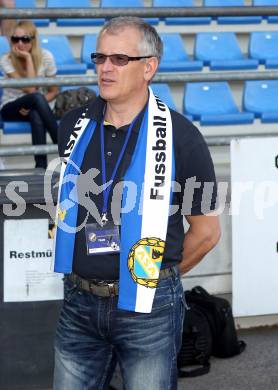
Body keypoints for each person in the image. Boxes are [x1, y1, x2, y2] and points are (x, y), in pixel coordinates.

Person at [52, 16, 221, 390]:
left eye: (118, 59)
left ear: (149, 67)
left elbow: (207, 233)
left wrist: (159, 281)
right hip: (79, 302)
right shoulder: (71, 126)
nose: (105, 68)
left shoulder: (183, 137)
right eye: (99, 58)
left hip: (150, 308)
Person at [0, 20, 58, 169]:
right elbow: (31, 89)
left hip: (36, 106)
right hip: (11, 107)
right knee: (36, 97)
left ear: (33, 40)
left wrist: (35, 103)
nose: (20, 43)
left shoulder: (46, 57)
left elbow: (54, 91)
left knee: (35, 112)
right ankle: (64, 146)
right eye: (15, 39)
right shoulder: (6, 59)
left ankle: (40, 167)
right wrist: (27, 57)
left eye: (25, 39)